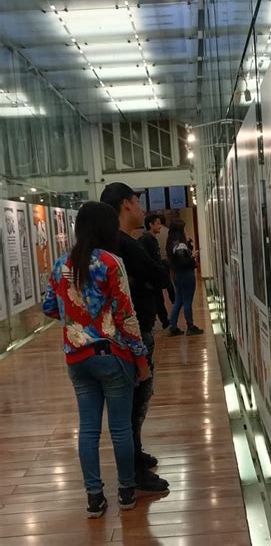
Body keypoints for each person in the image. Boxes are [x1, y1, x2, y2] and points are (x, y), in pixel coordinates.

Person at [42, 201, 150, 518]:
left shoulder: (62, 264)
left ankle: (94, 498)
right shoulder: (110, 262)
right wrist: (141, 359)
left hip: (76, 357)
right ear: (106, 228)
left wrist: (75, 317)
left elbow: (49, 307)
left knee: (88, 429)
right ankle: (127, 491)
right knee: (119, 429)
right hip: (112, 354)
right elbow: (126, 316)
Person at [100, 183, 169, 493]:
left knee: (134, 401)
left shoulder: (108, 246)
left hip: (120, 334)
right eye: (138, 203)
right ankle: (134, 471)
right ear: (126, 205)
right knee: (137, 400)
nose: (142, 210)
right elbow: (159, 277)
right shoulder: (125, 246)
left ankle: (135, 457)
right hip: (133, 333)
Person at [166, 219, 203, 336]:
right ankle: (190, 326)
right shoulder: (180, 245)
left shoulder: (172, 243)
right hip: (186, 274)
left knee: (179, 300)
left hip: (177, 275)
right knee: (187, 301)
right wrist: (192, 256)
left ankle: (173, 326)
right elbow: (183, 262)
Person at [140, 213, 170, 329]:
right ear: (150, 225)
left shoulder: (151, 239)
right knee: (156, 300)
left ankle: (165, 320)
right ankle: (164, 321)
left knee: (159, 300)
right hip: (152, 278)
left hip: (155, 277)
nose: (160, 226)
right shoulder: (147, 239)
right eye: (157, 223)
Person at [156, 214, 176, 304]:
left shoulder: (155, 233)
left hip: (159, 259)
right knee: (170, 280)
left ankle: (162, 301)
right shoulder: (168, 231)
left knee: (161, 280)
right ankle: (173, 299)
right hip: (168, 258)